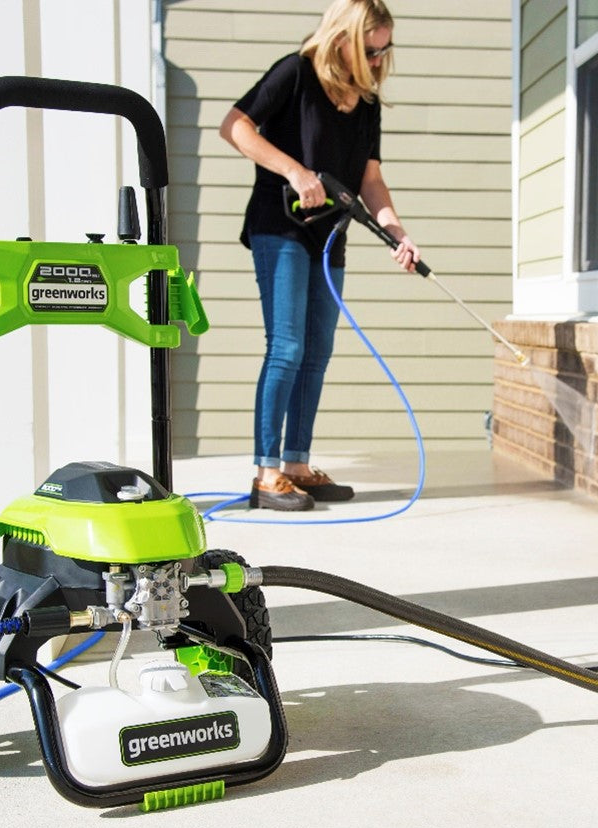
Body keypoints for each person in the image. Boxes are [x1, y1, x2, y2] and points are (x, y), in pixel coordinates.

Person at [220, 0, 420, 511]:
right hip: (279, 227)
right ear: (342, 42)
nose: (378, 61)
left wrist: (397, 230)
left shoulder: (367, 107)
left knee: (317, 351)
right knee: (287, 346)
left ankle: (296, 464)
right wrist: (294, 170)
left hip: (329, 235)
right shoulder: (296, 75)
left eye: (384, 50)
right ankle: (266, 474)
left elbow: (370, 179)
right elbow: (236, 126)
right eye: (370, 50)